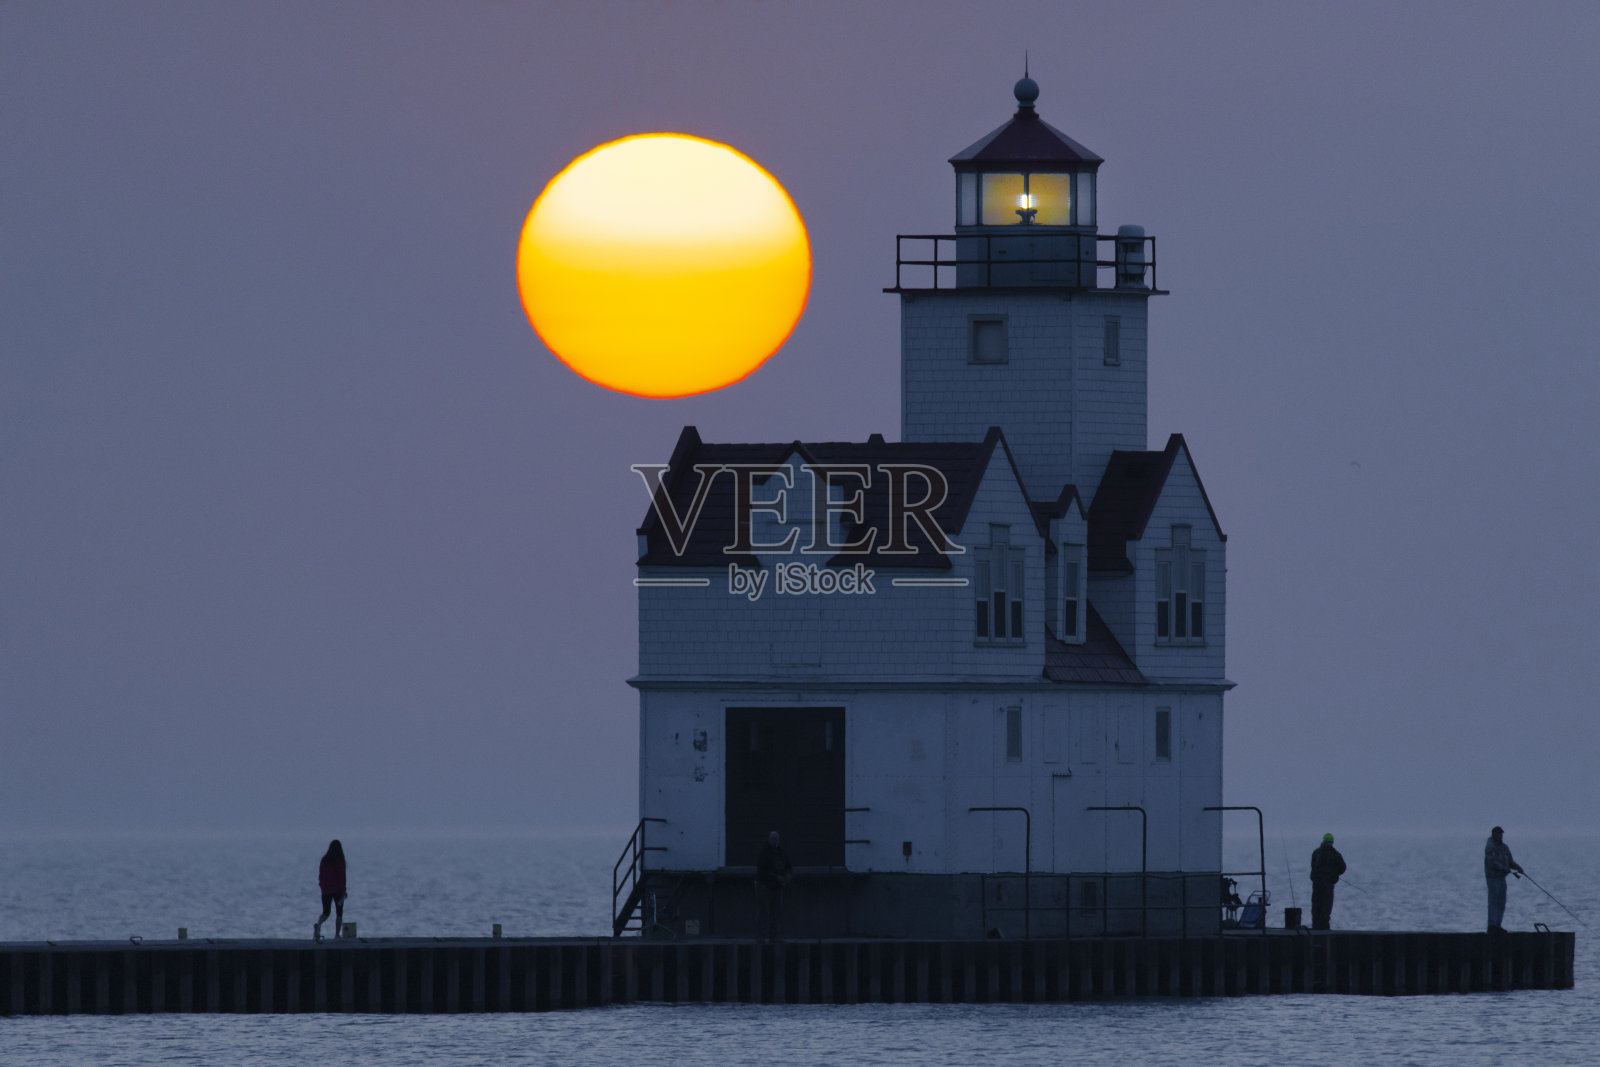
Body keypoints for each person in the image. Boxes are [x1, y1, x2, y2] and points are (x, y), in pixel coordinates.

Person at [1484, 826, 1524, 933]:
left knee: (1501, 903)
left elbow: (1510, 862)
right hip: (1493, 878)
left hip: (1502, 879)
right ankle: (1492, 925)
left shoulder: (1504, 847)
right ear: (1493, 834)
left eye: (1501, 834)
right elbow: (1493, 862)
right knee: (1493, 902)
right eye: (1498, 834)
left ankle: (1498, 925)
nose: (1500, 836)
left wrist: (1518, 868)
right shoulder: (1490, 847)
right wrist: (1505, 868)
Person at [755, 831, 793, 942]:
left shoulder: (782, 852)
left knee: (776, 912)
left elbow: (788, 865)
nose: (775, 841)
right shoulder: (763, 853)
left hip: (777, 887)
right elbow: (762, 871)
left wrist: (788, 875)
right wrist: (777, 877)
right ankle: (761, 936)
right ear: (769, 839)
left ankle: (774, 936)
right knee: (763, 912)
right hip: (764, 886)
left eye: (777, 839)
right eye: (773, 839)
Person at [1310, 833, 1346, 931]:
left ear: (1323, 841)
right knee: (1326, 906)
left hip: (1317, 883)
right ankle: (1324, 927)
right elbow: (1342, 868)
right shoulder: (1336, 854)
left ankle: (1315, 926)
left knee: (1316, 905)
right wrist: (1334, 873)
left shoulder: (1316, 853)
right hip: (1328, 884)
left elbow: (1313, 866)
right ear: (1332, 842)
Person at [314, 839, 347, 942]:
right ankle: (337, 935)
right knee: (339, 913)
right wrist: (343, 890)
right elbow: (342, 877)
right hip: (338, 890)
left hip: (326, 890)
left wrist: (322, 886)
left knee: (326, 912)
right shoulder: (340, 860)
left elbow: (321, 875)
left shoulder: (324, 860)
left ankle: (318, 925)